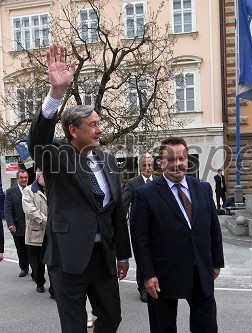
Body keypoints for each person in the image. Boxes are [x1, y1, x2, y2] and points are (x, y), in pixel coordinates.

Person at [28, 42, 131, 332]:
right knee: (73, 326)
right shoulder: (57, 155)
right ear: (74, 130)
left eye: (100, 123)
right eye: (93, 124)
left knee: (111, 319)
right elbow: (37, 140)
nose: (100, 129)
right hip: (68, 257)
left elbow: (116, 210)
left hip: (103, 259)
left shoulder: (108, 160)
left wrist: (122, 254)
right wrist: (56, 93)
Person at [130, 137, 224, 333]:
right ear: (162, 163)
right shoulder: (145, 194)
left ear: (188, 159)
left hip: (200, 271)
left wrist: (216, 261)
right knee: (163, 328)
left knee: (207, 327)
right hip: (163, 274)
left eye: (181, 158)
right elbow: (140, 239)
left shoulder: (203, 188)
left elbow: (214, 228)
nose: (177, 164)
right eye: (171, 159)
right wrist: (147, 274)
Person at [123, 153, 156, 303]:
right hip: (140, 229)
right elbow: (123, 206)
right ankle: (142, 288)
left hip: (157, 229)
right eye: (144, 165)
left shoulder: (159, 182)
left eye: (150, 165)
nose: (147, 168)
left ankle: (155, 283)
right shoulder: (132, 183)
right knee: (142, 257)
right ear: (139, 167)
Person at [22, 170, 54, 297]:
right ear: (39, 176)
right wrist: (46, 220)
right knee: (38, 262)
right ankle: (40, 283)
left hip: (52, 232)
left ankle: (54, 288)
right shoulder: (28, 190)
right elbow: (30, 210)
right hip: (36, 232)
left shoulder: (52, 188)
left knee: (53, 262)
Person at [4, 169, 31, 277]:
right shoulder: (10, 192)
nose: (24, 180)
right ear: (17, 179)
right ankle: (24, 268)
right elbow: (8, 209)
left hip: (31, 226)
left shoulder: (32, 190)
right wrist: (10, 224)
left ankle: (36, 270)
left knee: (32, 250)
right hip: (17, 226)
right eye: (21, 178)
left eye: (25, 177)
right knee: (21, 249)